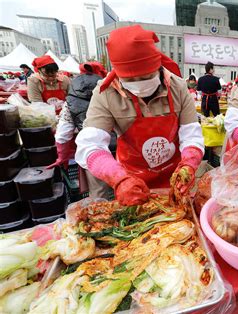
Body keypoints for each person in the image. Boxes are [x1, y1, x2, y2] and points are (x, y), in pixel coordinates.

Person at [74, 25, 204, 206]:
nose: (139, 84)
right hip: (131, 180)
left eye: (145, 77)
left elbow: (192, 135)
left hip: (174, 179)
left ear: (157, 67)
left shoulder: (178, 87)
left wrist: (189, 164)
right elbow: (90, 145)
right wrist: (118, 179)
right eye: (129, 80)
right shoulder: (105, 92)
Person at [48, 61, 113, 199]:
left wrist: (62, 157)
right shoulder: (113, 92)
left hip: (94, 156)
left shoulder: (71, 99)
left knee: (100, 198)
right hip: (120, 152)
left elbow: (62, 135)